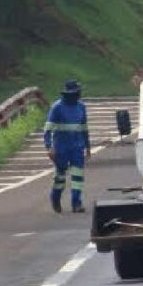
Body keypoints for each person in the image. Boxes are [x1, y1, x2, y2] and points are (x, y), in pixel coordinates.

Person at [43, 79, 91, 213]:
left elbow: (84, 128)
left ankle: (76, 203)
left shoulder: (81, 107)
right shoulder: (57, 107)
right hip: (61, 148)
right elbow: (47, 129)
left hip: (77, 147)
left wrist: (88, 147)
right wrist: (49, 147)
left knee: (77, 176)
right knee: (60, 178)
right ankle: (55, 198)